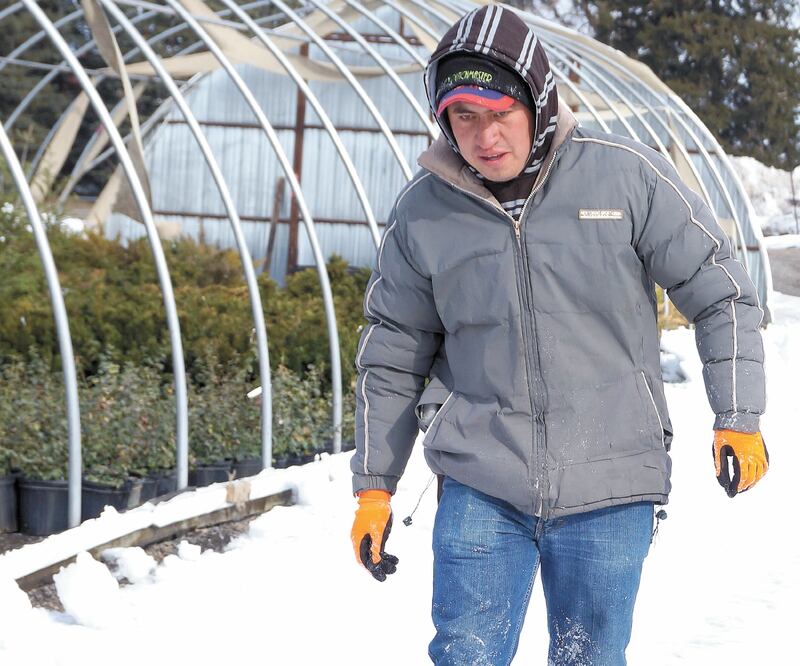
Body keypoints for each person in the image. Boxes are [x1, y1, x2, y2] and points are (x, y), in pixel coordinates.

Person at [349, 5, 769, 665]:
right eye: (465, 116)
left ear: (537, 102)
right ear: (443, 119)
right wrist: (375, 485)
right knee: (465, 654)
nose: (485, 137)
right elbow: (393, 354)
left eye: (500, 112)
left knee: (588, 656)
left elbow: (722, 291)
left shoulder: (624, 178)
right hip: (481, 478)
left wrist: (738, 414)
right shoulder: (423, 213)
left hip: (609, 479)